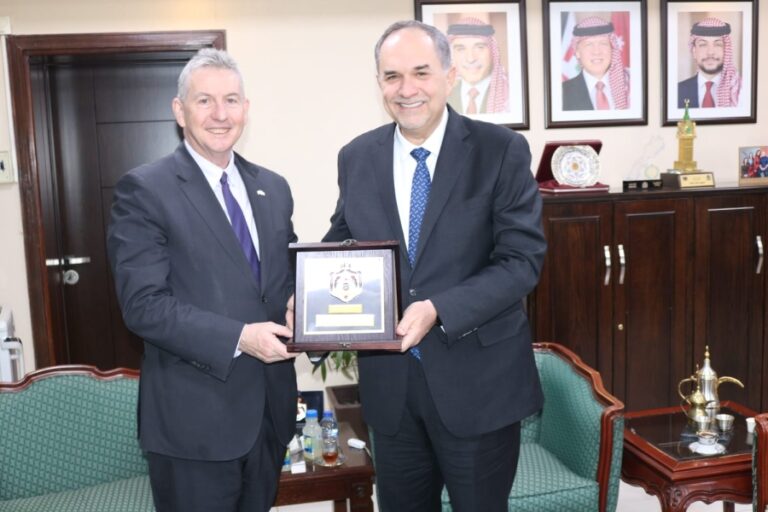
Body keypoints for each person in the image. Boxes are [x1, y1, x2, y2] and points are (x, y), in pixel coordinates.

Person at [323, 20, 546, 511]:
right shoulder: (357, 157)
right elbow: (344, 240)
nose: (407, 89)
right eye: (392, 76)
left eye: (421, 72)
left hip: (479, 385)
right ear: (379, 83)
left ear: (449, 76)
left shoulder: (500, 150)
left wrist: (437, 308)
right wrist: (310, 293)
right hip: (392, 393)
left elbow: (521, 262)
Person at [107, 48, 298, 512]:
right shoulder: (145, 190)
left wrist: (300, 303)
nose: (220, 114)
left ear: (246, 109)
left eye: (231, 100)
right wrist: (241, 337)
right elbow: (144, 305)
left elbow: (284, 277)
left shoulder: (273, 188)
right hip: (193, 427)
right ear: (180, 110)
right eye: (204, 101)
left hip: (268, 418)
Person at [562, 16, 630, 111]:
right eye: (589, 44)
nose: (597, 51)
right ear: (577, 52)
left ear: (612, 48)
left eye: (603, 43)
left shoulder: (630, 86)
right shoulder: (562, 93)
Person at [446, 17, 510, 114]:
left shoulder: (509, 97)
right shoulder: (444, 97)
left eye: (480, 47)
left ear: (492, 52)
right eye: (461, 49)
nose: (470, 59)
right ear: (452, 55)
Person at [677, 17, 742, 108]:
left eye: (718, 44)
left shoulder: (740, 90)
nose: (710, 52)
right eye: (703, 44)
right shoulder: (677, 91)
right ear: (694, 51)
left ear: (726, 50)